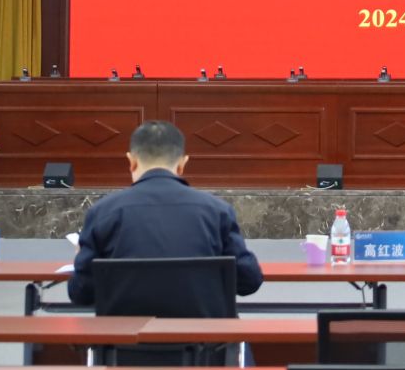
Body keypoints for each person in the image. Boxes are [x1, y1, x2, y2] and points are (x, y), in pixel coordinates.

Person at [67, 120, 262, 309]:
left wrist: (80, 259)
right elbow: (249, 280)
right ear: (182, 164)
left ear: (131, 161)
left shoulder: (103, 211)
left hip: (125, 331)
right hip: (201, 330)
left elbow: (81, 292)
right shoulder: (218, 211)